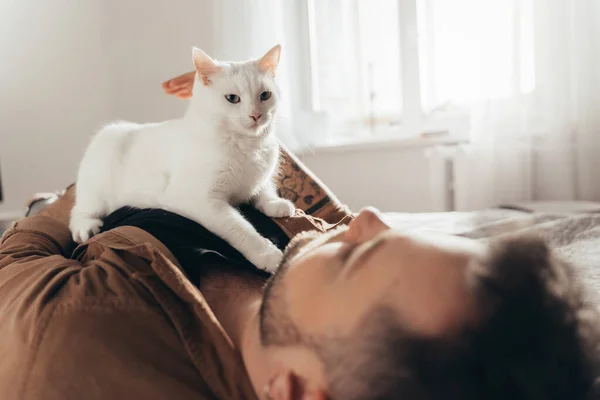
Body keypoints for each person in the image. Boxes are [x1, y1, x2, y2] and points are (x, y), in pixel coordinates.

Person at [0, 75, 598, 400]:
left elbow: (20, 250)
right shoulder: (304, 297)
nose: (362, 222)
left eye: (355, 261)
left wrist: (57, 205)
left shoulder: (68, 334)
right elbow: (312, 206)